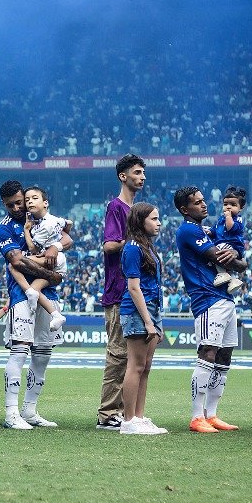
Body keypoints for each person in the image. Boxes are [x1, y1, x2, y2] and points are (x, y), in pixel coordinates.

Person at [172, 186, 246, 433]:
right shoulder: (188, 230)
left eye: (204, 201)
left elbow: (240, 264)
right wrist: (232, 255)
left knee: (224, 357)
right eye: (197, 202)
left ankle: (212, 415)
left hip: (225, 298)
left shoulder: (208, 230)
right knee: (208, 353)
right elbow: (220, 257)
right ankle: (196, 416)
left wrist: (234, 253)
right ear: (185, 209)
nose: (204, 205)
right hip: (207, 299)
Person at [0, 180, 61, 431]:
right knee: (19, 351)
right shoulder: (3, 229)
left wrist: (55, 246)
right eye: (10, 205)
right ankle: (11, 413)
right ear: (4, 205)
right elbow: (17, 261)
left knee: (42, 355)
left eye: (19, 202)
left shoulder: (43, 219)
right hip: (21, 294)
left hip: (48, 293)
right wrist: (52, 272)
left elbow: (66, 237)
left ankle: (29, 410)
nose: (16, 208)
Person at [97, 153, 145, 431]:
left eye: (143, 173)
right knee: (117, 353)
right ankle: (106, 414)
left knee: (127, 356)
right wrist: (135, 238)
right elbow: (108, 246)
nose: (142, 177)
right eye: (137, 172)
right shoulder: (116, 207)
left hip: (130, 290)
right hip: (117, 290)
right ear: (123, 176)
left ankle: (118, 412)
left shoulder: (135, 209)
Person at [118, 203, 168, 435]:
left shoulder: (146, 247)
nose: (158, 223)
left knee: (145, 367)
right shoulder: (132, 248)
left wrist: (157, 320)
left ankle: (139, 416)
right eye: (154, 219)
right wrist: (149, 321)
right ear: (141, 221)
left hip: (150, 309)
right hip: (138, 311)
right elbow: (133, 288)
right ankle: (128, 421)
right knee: (136, 365)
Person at [19, 186, 70, 331]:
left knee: (16, 261)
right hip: (58, 263)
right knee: (35, 289)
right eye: (27, 200)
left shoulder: (46, 224)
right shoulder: (53, 219)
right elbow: (68, 224)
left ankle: (31, 296)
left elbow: (33, 248)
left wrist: (26, 230)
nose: (30, 202)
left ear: (45, 203)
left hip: (53, 261)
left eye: (35, 198)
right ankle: (57, 315)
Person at [212, 186, 247, 294]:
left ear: (241, 208)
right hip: (223, 243)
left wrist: (228, 217)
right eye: (225, 204)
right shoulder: (221, 219)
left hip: (232, 246)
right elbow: (216, 230)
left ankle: (223, 274)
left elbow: (230, 227)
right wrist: (210, 231)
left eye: (233, 205)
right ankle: (232, 281)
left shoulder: (238, 219)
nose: (228, 207)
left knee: (217, 253)